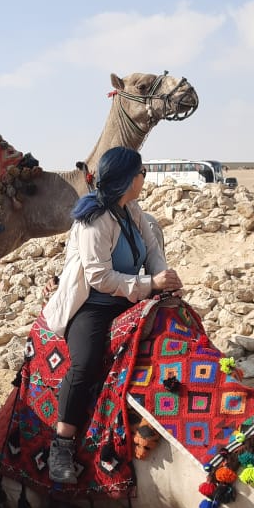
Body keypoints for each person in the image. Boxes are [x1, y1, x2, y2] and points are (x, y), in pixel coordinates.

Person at [42, 146, 183, 486]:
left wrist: (166, 279)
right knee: (85, 364)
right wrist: (150, 283)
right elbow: (99, 278)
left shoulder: (132, 211)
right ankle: (62, 444)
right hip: (93, 304)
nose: (144, 178)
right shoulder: (94, 220)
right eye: (141, 173)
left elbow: (152, 251)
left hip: (130, 297)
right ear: (128, 179)